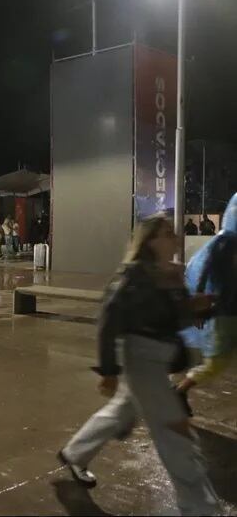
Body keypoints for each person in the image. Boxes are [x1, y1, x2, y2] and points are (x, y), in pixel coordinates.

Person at [57, 214, 220, 516]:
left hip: (158, 359)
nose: (175, 237)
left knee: (121, 410)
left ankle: (75, 453)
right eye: (167, 233)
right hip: (142, 359)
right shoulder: (132, 276)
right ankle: (200, 507)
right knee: (176, 433)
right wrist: (108, 371)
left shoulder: (170, 274)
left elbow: (177, 314)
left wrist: (204, 305)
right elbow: (109, 321)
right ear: (150, 241)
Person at [176, 193, 237, 411]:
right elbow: (203, 272)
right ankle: (180, 390)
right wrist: (198, 305)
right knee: (215, 363)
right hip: (224, 312)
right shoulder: (223, 243)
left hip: (230, 310)